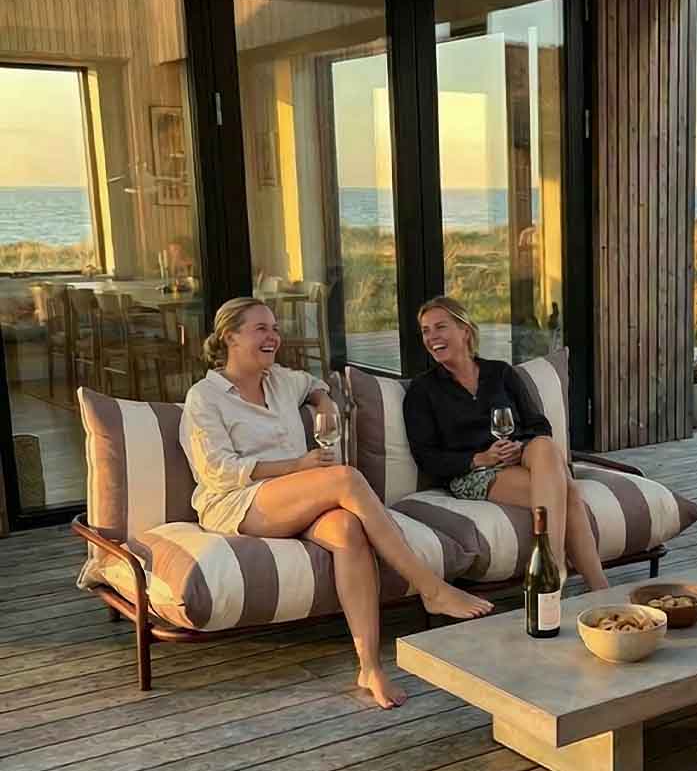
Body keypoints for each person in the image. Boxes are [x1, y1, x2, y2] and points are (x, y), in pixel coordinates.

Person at [180, 297, 492, 710]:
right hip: (238, 501)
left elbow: (313, 383)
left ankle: (370, 667)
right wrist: (297, 465)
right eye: (261, 329)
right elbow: (218, 470)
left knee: (347, 529)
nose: (273, 337)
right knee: (345, 478)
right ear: (230, 337)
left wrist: (323, 401)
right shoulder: (205, 396)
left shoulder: (280, 381)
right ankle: (431, 587)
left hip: (297, 495)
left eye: (275, 328)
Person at [403, 295, 609, 590]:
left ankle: (550, 566)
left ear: (465, 331)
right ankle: (593, 586)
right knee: (568, 492)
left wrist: (518, 447)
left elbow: (539, 425)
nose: (431, 337)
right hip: (474, 472)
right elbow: (426, 456)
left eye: (440, 327)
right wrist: (480, 458)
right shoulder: (423, 390)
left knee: (543, 445)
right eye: (425, 330)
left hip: (522, 457)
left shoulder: (500, 372)